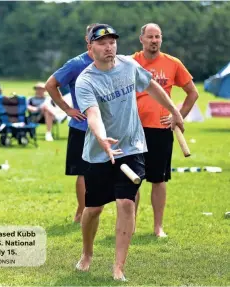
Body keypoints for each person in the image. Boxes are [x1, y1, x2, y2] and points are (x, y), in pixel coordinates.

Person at [74, 24, 184, 280]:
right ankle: (87, 253)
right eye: (102, 43)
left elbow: (152, 86)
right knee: (94, 209)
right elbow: (92, 115)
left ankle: (118, 267)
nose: (109, 46)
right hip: (100, 152)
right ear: (90, 48)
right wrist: (102, 138)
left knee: (126, 203)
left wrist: (175, 111)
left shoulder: (129, 66)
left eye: (112, 41)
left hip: (132, 147)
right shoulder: (86, 80)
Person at [133, 23, 199, 237]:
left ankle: (158, 227)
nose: (154, 40)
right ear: (141, 39)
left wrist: (178, 116)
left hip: (161, 130)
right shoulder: (130, 63)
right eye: (150, 36)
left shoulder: (172, 63)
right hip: (133, 130)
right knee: (132, 179)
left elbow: (192, 93)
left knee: (158, 179)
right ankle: (129, 225)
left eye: (158, 37)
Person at [45, 23, 97, 223]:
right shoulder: (76, 64)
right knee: (83, 173)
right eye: (96, 38)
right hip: (82, 127)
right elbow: (51, 84)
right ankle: (81, 212)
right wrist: (67, 109)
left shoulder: (113, 62)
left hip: (108, 128)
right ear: (88, 40)